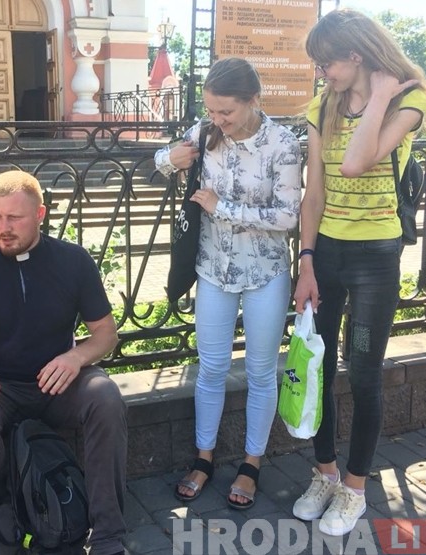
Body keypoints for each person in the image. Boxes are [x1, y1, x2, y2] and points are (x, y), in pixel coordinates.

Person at [291, 8, 426, 537]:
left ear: (355, 54)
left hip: (376, 256)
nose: (321, 73)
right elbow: (315, 192)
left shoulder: (410, 101)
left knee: (364, 370)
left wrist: (377, 98)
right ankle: (325, 472)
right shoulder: (320, 106)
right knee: (319, 364)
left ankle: (354, 486)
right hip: (327, 253)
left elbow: (357, 161)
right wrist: (306, 261)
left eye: (325, 63)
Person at [0, 170, 127, 555]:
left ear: (40, 214)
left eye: (15, 218)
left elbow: (106, 333)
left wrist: (76, 357)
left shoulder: (73, 261)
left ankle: (107, 534)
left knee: (105, 397)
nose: (4, 228)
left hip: (59, 383)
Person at [154, 57, 302, 509]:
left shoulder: (282, 144)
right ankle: (204, 458)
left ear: (253, 100)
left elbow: (287, 217)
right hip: (212, 269)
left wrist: (224, 208)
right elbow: (161, 162)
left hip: (265, 273)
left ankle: (251, 463)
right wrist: (170, 158)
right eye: (211, 110)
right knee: (211, 368)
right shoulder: (205, 132)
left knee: (260, 371)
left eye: (227, 111)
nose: (218, 119)